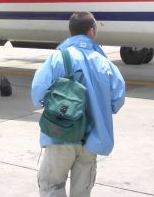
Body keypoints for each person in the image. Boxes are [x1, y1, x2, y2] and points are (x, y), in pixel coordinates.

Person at [31, 12, 126, 197]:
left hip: (60, 135)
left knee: (52, 187)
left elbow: (38, 91)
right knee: (82, 192)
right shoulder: (106, 63)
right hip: (91, 139)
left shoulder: (58, 57)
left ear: (71, 31)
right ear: (92, 31)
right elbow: (118, 99)